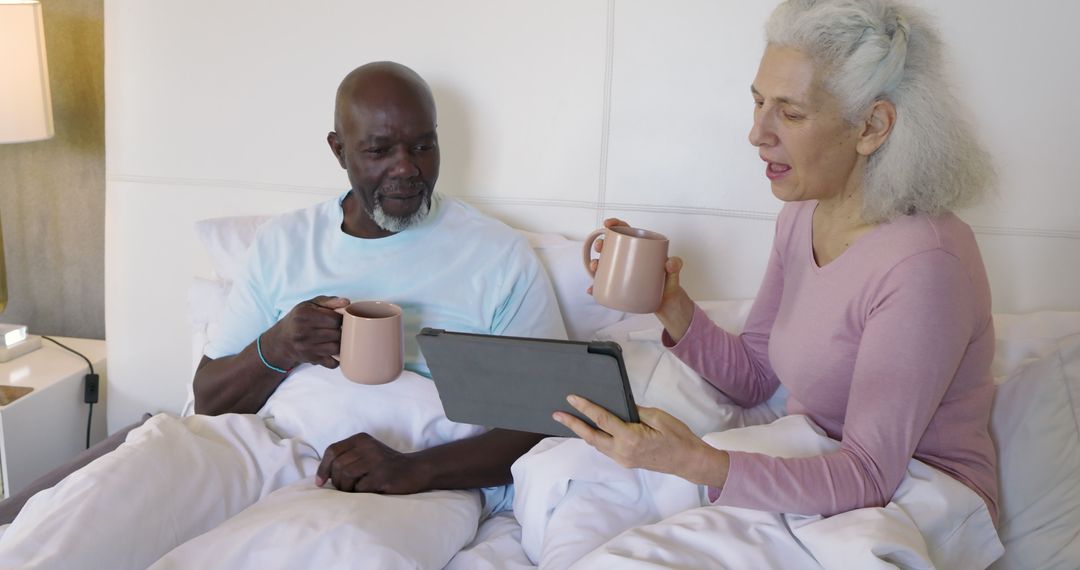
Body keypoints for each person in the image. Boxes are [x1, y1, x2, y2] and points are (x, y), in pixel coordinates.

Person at [0, 61, 566, 570]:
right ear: (338, 150)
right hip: (263, 443)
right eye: (378, 150)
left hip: (413, 471)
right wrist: (278, 346)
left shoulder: (496, 256)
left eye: (423, 146)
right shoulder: (284, 244)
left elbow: (546, 414)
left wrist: (413, 471)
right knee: (101, 504)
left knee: (331, 553)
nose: (407, 169)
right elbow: (209, 398)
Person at [516, 0, 1000, 567]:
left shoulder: (924, 265)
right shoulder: (802, 215)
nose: (756, 133)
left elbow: (870, 473)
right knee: (564, 476)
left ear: (871, 127)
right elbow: (753, 377)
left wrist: (696, 462)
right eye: (758, 101)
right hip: (814, 456)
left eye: (790, 114)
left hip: (912, 496)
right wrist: (670, 304)